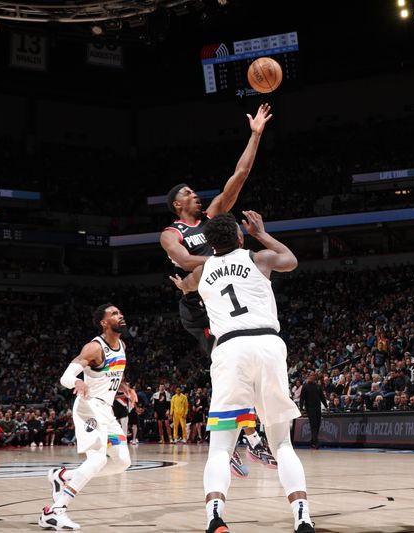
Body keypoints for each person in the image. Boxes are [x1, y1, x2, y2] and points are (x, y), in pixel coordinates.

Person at [178, 211, 315, 533]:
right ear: (240, 237)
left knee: (221, 447)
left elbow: (185, 285)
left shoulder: (202, 271)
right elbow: (291, 260)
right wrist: (262, 233)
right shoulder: (258, 257)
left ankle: (214, 517)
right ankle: (302, 517)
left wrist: (183, 278)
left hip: (229, 349)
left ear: (210, 245)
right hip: (267, 343)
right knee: (282, 444)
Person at [161, 103, 276, 474]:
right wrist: (217, 263)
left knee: (243, 368)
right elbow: (181, 259)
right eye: (191, 194)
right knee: (232, 371)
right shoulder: (172, 232)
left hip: (225, 300)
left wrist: (255, 133)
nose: (198, 196)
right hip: (198, 304)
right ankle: (248, 437)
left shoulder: (212, 218)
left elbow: (239, 175)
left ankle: (240, 438)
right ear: (179, 204)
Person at [38, 303, 137, 531]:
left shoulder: (122, 345)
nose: (120, 315)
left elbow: (113, 373)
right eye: (114, 314)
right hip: (89, 407)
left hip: (106, 411)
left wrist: (125, 388)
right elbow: (65, 377)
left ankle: (63, 475)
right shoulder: (94, 347)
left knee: (123, 462)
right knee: (98, 459)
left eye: (120, 312)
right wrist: (78, 381)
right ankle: (54, 511)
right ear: (104, 322)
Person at [300, 372, 328, 449]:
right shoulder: (305, 386)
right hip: (310, 408)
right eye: (311, 375)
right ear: (309, 376)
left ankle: (312, 441)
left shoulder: (318, 386)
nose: (313, 377)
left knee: (318, 424)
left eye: (314, 376)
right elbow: (302, 398)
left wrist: (326, 406)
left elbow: (322, 397)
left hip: (317, 408)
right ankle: (316, 443)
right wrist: (301, 408)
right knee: (314, 424)